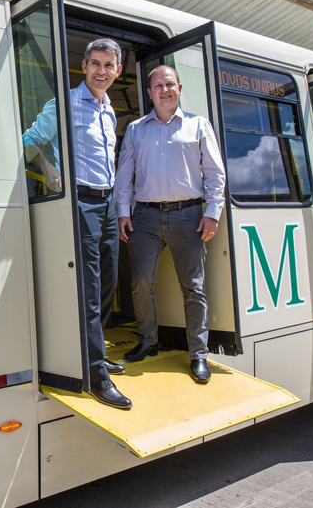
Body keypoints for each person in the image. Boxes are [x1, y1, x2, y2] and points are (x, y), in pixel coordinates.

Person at [22, 38, 131, 409]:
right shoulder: (64, 104)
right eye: (96, 64)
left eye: (109, 65)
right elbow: (29, 142)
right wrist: (51, 170)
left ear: (117, 71)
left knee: (108, 284)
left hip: (108, 203)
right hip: (80, 202)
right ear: (84, 67)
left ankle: (92, 352)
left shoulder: (110, 110)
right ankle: (96, 373)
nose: (102, 71)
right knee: (88, 288)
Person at [113, 64, 225, 384]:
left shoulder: (198, 125)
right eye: (158, 85)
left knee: (193, 287)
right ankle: (148, 342)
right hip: (145, 217)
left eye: (170, 84)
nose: (164, 89)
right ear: (149, 93)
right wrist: (124, 212)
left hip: (188, 215)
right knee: (140, 283)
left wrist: (212, 212)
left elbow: (215, 174)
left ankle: (198, 353)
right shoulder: (136, 129)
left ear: (179, 89)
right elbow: (125, 176)